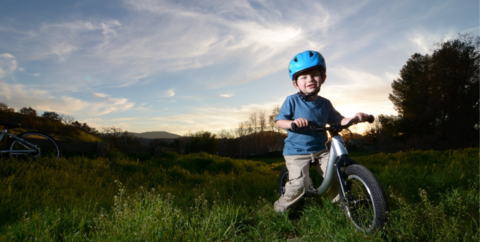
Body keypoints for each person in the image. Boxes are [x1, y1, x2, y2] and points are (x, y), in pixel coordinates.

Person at [274, 50, 370, 213]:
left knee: (334, 176)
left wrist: (354, 118)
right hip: (296, 152)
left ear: (323, 78)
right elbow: (279, 122)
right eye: (303, 77)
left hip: (320, 150)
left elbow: (338, 120)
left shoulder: (325, 103)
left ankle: (342, 207)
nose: (310, 79)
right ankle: (279, 211)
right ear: (296, 83)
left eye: (314, 75)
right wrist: (293, 123)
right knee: (298, 186)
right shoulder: (292, 100)